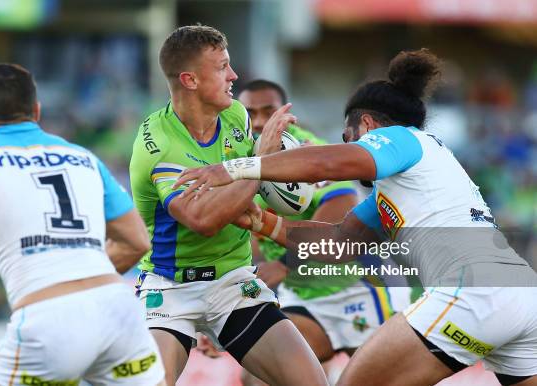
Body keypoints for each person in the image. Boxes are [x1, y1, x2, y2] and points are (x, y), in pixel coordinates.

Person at [174, 49, 537, 386]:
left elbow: (326, 163)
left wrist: (237, 169)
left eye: (349, 138)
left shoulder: (402, 138)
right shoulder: (400, 186)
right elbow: (337, 243)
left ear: (365, 126)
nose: (348, 144)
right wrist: (262, 222)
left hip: (472, 291)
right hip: (520, 294)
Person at [0, 63, 165, 386]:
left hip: (48, 319)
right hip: (118, 311)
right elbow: (138, 241)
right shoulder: (85, 158)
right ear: (37, 110)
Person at [129, 25, 327, 386]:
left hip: (233, 283)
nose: (234, 76)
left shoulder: (236, 115)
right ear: (189, 79)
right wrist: (259, 162)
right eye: (222, 67)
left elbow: (243, 202)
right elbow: (202, 219)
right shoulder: (158, 143)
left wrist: (289, 169)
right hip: (170, 289)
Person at [237, 80, 404, 384]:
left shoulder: (309, 154)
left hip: (360, 287)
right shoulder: (237, 159)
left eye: (268, 111)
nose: (260, 121)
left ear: (285, 115)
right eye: (250, 112)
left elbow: (338, 231)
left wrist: (284, 266)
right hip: (305, 296)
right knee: (259, 376)